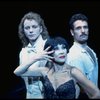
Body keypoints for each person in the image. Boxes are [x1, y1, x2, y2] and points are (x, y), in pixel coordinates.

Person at [14, 37, 100, 99]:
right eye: (56, 49)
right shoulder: (44, 71)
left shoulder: (73, 72)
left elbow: (97, 93)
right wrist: (36, 57)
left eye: (63, 48)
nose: (62, 51)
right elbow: (18, 72)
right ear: (49, 53)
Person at [14, 11, 49, 99]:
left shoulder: (48, 46)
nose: (30, 30)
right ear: (23, 31)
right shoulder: (23, 51)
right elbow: (20, 74)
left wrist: (24, 71)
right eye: (27, 28)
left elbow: (50, 73)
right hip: (29, 95)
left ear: (40, 29)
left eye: (34, 27)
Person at [67, 13, 99, 98]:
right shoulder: (74, 56)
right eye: (78, 28)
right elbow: (83, 90)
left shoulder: (88, 49)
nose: (83, 31)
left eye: (85, 27)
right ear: (72, 32)